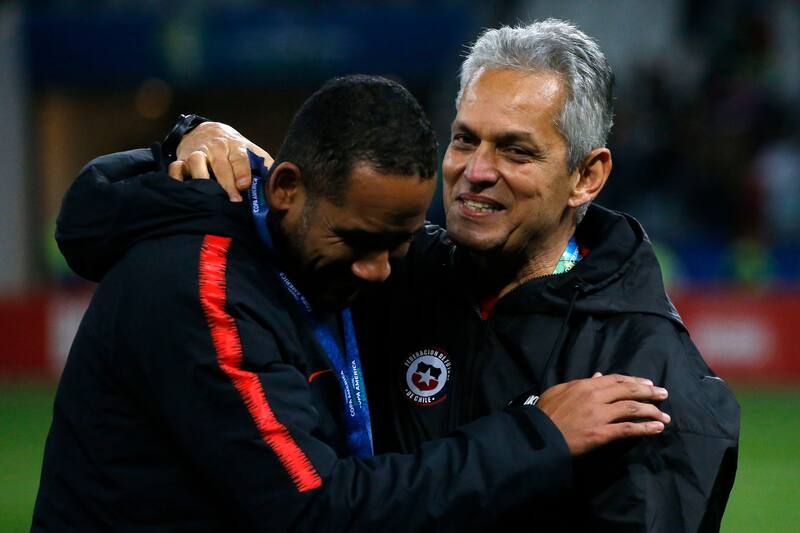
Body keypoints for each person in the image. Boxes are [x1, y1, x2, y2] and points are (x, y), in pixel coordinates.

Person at [35, 74, 671, 532]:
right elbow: (313, 508)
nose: (378, 271)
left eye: (398, 243)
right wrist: (538, 436)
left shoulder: (314, 254)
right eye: (359, 241)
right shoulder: (203, 291)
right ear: (285, 189)